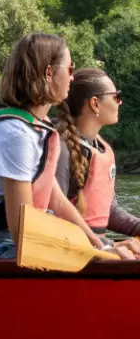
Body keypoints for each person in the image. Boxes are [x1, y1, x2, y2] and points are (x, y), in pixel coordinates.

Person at [0, 33, 104, 260]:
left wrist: (97, 244)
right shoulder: (15, 135)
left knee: (108, 252)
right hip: (2, 248)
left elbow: (55, 200)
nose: (72, 77)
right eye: (69, 69)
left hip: (22, 242)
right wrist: (86, 255)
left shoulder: (37, 128)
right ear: (49, 73)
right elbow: (22, 231)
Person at [55, 67, 140, 251]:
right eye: (116, 96)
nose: (120, 102)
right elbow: (53, 214)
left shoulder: (100, 149)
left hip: (94, 249)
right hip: (70, 252)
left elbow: (109, 211)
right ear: (95, 103)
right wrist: (107, 245)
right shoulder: (61, 148)